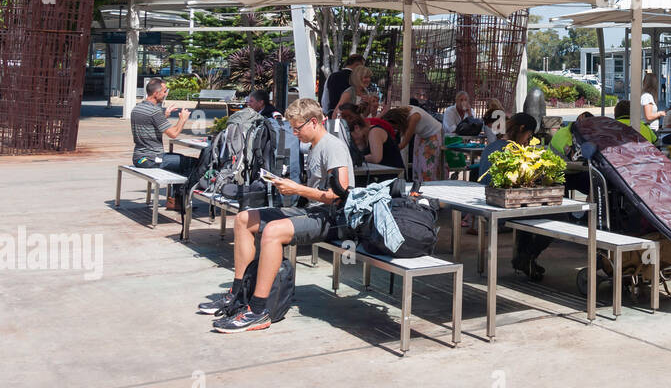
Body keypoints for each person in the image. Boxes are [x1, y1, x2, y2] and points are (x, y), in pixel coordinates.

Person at [204, 99, 353, 332]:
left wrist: (297, 189)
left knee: (273, 232)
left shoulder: (332, 147)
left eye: (297, 128)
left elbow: (339, 195)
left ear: (313, 122)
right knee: (244, 219)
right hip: (313, 210)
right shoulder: (314, 145)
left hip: (335, 217)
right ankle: (237, 292)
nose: (294, 133)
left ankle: (258, 309)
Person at [477, 112, 552, 280]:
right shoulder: (513, 150)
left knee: (531, 212)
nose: (528, 140)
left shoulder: (491, 146)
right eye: (529, 135)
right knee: (558, 217)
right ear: (522, 129)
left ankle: (525, 258)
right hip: (502, 209)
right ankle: (526, 257)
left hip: (486, 204)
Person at [130, 78, 194, 208]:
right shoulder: (154, 111)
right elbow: (174, 133)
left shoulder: (138, 108)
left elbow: (150, 125)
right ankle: (178, 202)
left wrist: (165, 115)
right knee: (189, 163)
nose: (165, 94)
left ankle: (176, 200)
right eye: (164, 91)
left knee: (179, 160)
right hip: (151, 159)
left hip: (139, 157)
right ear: (156, 93)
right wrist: (183, 119)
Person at [383, 104, 443, 182]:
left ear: (397, 121)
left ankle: (428, 186)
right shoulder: (404, 112)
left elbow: (403, 143)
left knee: (427, 167)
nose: (394, 130)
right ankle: (417, 183)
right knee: (417, 165)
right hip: (421, 134)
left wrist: (386, 152)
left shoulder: (414, 117)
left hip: (433, 134)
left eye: (394, 127)